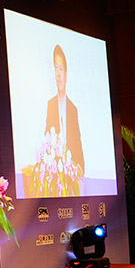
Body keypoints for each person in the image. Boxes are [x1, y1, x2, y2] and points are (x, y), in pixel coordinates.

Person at [45, 44, 85, 175]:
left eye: (61, 68)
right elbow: (47, 138)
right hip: (54, 173)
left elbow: (77, 143)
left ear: (66, 75)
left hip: (72, 173)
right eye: (56, 68)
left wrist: (80, 169)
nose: (58, 73)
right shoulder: (50, 105)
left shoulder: (73, 109)